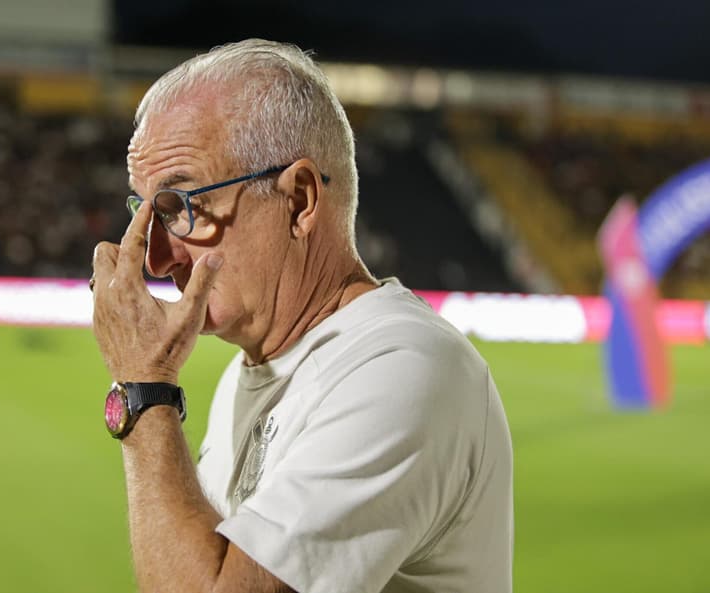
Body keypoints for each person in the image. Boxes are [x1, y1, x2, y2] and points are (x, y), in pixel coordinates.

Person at [91, 39, 513, 593]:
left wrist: (144, 388)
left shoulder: (401, 367)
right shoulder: (250, 372)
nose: (155, 259)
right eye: (146, 212)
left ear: (299, 200)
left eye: (183, 208)